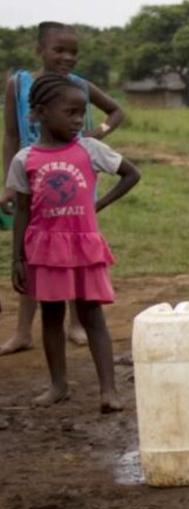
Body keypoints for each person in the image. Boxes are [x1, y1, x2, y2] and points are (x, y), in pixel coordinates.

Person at [8, 74, 141, 411]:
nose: (78, 120)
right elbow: (22, 212)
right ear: (40, 112)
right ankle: (58, 385)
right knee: (51, 316)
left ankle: (108, 391)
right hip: (46, 249)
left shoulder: (89, 149)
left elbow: (131, 174)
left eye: (81, 113)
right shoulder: (25, 160)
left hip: (83, 247)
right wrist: (17, 259)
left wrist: (98, 205)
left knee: (92, 315)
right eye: (70, 112)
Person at [2, 21, 125, 355]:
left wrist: (95, 133)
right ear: (39, 50)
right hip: (31, 182)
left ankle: (75, 324)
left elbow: (116, 111)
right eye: (59, 50)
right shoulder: (19, 85)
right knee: (33, 253)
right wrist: (8, 186)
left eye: (73, 52)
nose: (67, 58)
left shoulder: (79, 86)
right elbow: (12, 136)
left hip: (73, 182)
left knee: (73, 252)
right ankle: (22, 332)